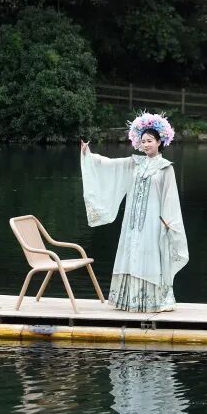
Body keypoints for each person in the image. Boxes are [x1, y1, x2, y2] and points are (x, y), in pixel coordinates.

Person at [80, 112, 189, 313]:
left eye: (150, 141)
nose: (146, 145)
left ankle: (153, 301)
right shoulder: (135, 163)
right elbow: (110, 165)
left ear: (159, 142)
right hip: (132, 221)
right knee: (131, 253)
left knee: (150, 256)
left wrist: (168, 223)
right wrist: (89, 156)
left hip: (154, 221)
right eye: (143, 141)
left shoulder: (166, 168)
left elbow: (170, 198)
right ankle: (128, 300)